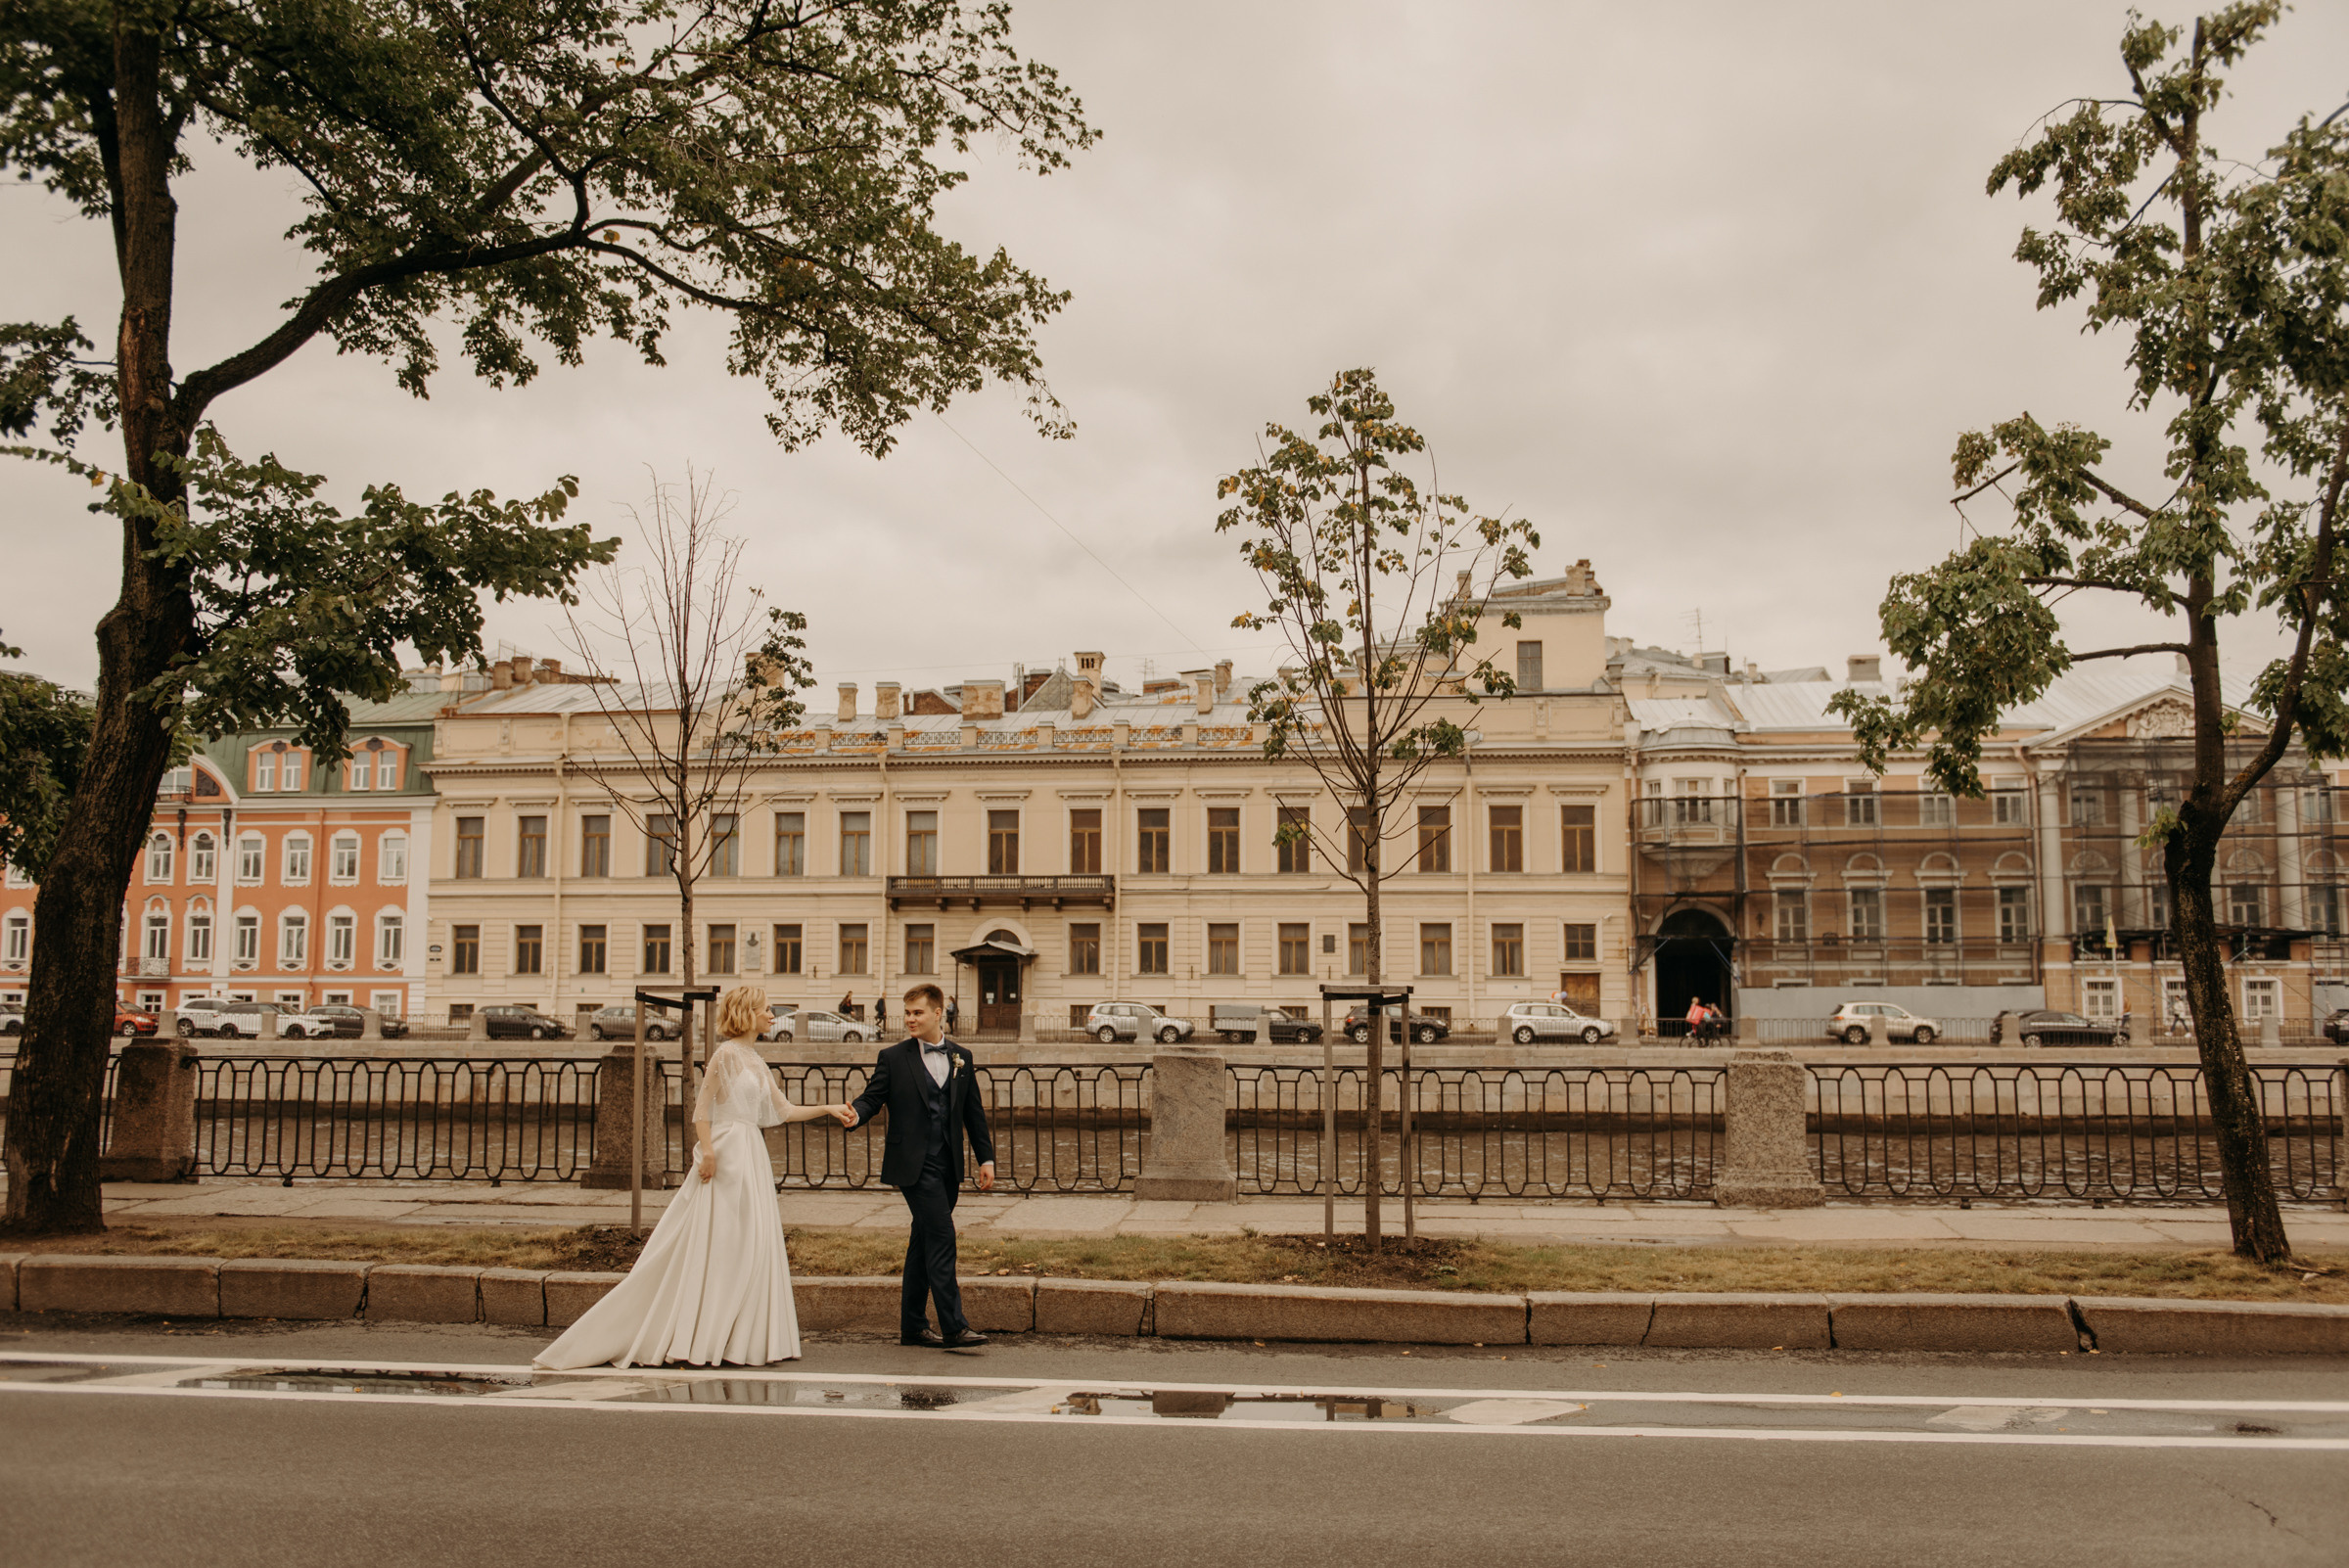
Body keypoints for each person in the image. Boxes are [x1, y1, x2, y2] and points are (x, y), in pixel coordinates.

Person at [533, 984, 853, 1369]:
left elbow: (784, 1110)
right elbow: (701, 1111)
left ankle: (739, 1335)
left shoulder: (756, 1060)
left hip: (751, 1153)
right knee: (723, 1240)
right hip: (727, 1151)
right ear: (748, 1013)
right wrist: (709, 1152)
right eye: (767, 1009)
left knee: (752, 1240)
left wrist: (829, 1108)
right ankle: (705, 1332)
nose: (773, 1015)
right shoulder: (725, 1055)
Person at [841, 982, 996, 1349]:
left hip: (948, 1165)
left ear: (938, 1013)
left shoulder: (961, 1057)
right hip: (912, 1164)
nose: (910, 1019)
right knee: (941, 1236)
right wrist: (855, 1114)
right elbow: (872, 1097)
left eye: (917, 1013)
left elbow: (973, 1112)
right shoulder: (893, 1057)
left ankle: (912, 1326)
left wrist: (985, 1157)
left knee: (922, 1242)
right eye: (907, 1013)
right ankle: (954, 1327)